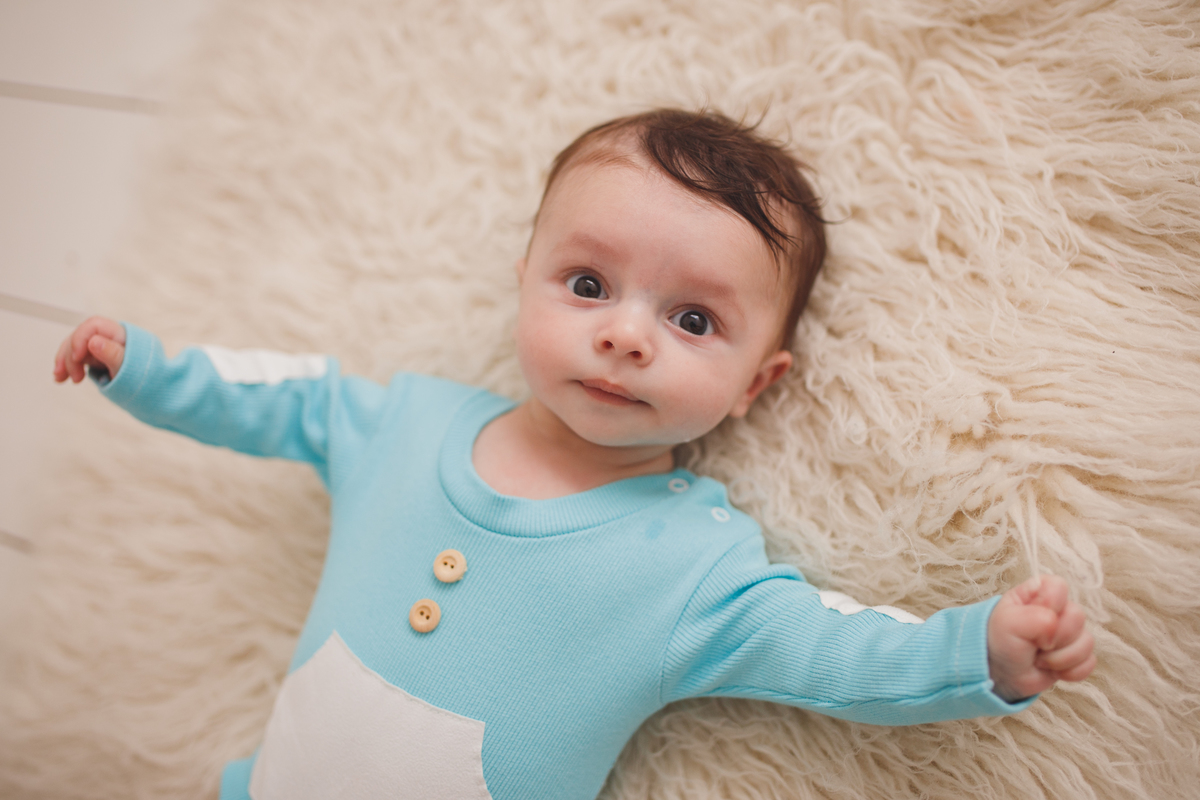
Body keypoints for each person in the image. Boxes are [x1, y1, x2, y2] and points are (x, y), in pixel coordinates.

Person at [53, 109, 1095, 800]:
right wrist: (144, 366)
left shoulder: (692, 568)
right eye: (589, 285)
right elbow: (275, 399)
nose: (626, 334)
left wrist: (977, 651)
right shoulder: (401, 423)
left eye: (691, 318)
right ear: (525, 281)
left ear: (757, 383)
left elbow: (838, 650)